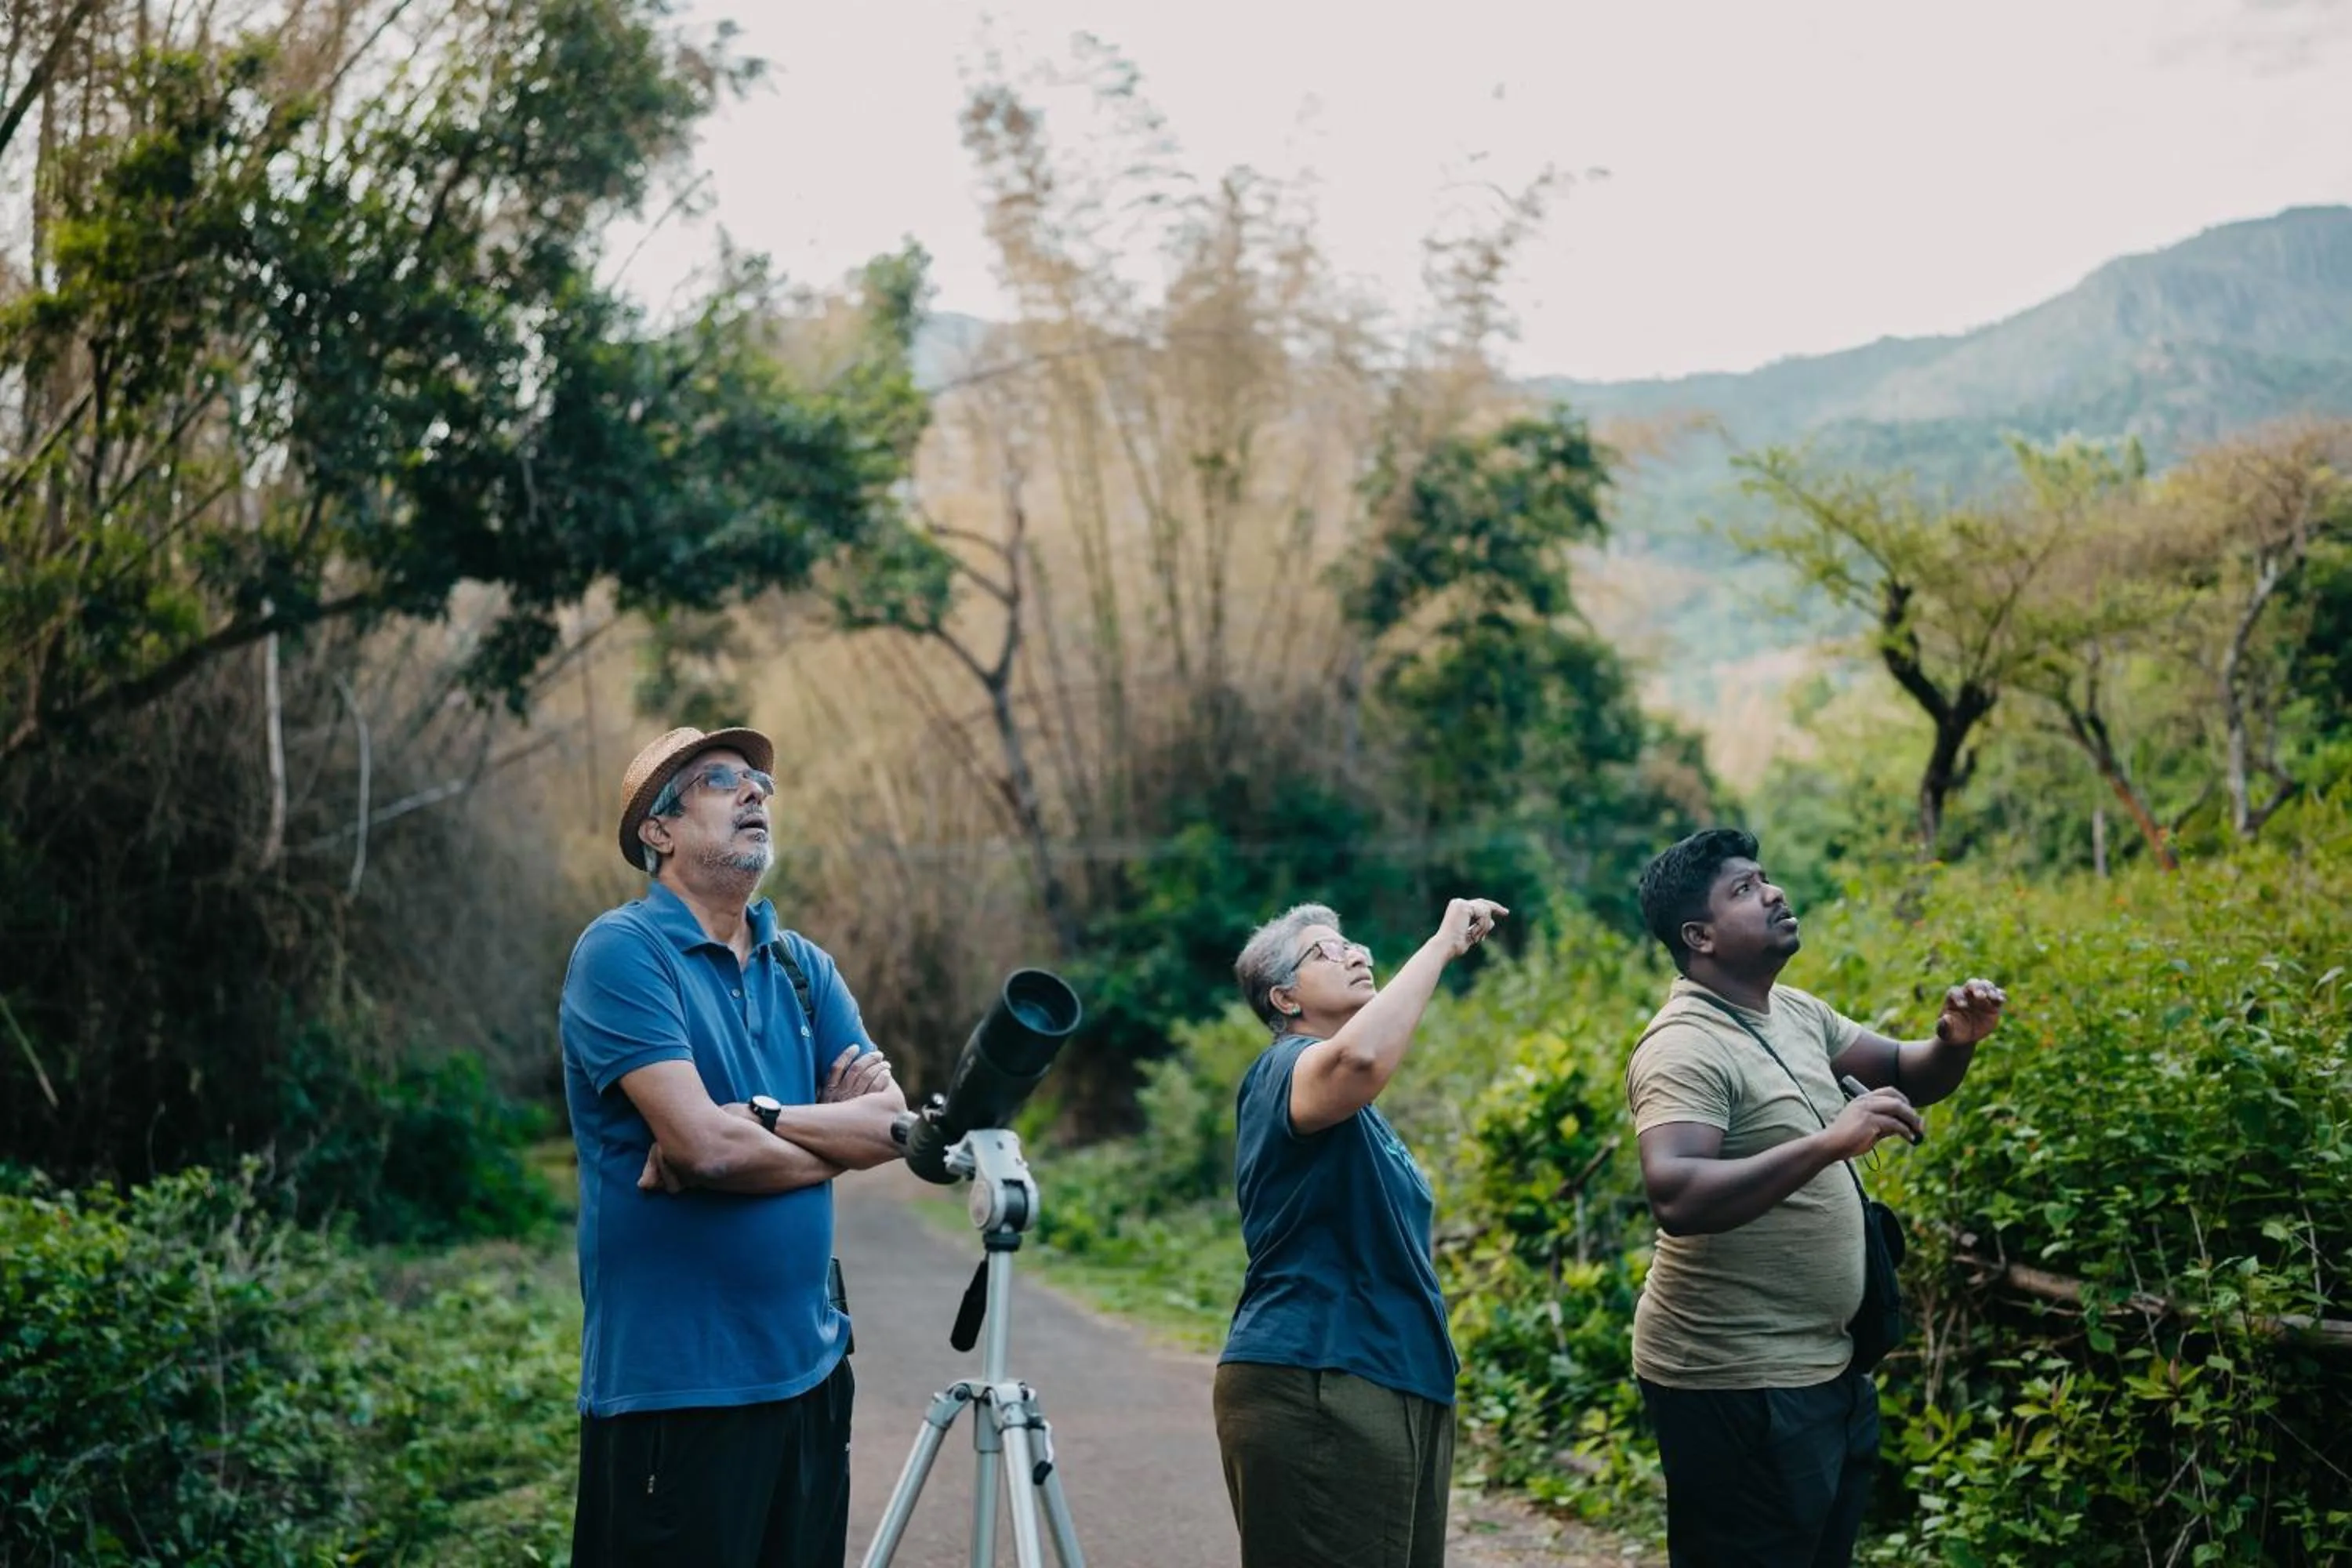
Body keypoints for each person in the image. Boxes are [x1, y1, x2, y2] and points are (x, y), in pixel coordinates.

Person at [561, 725, 909, 1567]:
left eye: (759, 781)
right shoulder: (622, 952)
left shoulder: (803, 966)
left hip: (813, 1375)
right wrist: (826, 1134)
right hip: (678, 1388)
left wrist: (752, 1120)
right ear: (659, 829)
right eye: (723, 780)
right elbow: (704, 1148)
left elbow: (895, 1122)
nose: (756, 792)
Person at [1626, 828, 2005, 1568]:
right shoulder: (1683, 1046)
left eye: (1765, 877)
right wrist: (1831, 1141)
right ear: (1698, 937)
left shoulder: (1795, 1011)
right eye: (1743, 890)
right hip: (1734, 1381)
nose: (1772, 893)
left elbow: (1904, 1069)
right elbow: (1677, 1193)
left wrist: (1954, 1041)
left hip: (1825, 1369)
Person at [1213, 895, 1509, 1568]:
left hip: (1397, 1377)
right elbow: (1358, 1063)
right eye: (1327, 951)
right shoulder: (1282, 1070)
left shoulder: (1359, 1118)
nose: (1355, 954)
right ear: (1284, 999)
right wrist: (1439, 947)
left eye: (1355, 946)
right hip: (1320, 1373)